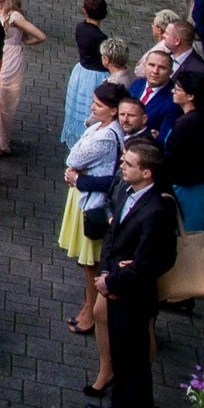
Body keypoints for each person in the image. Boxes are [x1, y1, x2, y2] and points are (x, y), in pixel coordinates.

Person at [87, 142, 180, 408]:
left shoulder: (157, 210)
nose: (122, 167)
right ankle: (119, 405)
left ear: (147, 172)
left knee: (134, 360)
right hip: (114, 283)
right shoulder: (127, 191)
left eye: (128, 164)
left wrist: (113, 280)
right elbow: (113, 237)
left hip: (134, 296)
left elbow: (155, 261)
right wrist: (105, 275)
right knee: (120, 353)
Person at [60, 81, 127, 349]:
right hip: (85, 195)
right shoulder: (103, 127)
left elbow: (73, 157)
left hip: (93, 204)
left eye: (98, 105)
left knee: (91, 264)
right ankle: (88, 306)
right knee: (87, 263)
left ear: (112, 111)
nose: (92, 107)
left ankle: (91, 312)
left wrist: (77, 177)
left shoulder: (104, 136)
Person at [0, 0, 46, 156]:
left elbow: (41, 36)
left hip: (11, 57)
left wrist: (26, 41)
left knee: (4, 99)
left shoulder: (14, 16)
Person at [165, 69, 204, 234]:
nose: (173, 91)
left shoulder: (186, 124)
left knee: (182, 232)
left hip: (184, 187)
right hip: (198, 185)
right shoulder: (200, 119)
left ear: (190, 96)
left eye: (178, 89)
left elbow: (173, 157)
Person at [60, 0, 110, 149]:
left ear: (84, 11)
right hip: (96, 75)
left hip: (81, 71)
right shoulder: (101, 37)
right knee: (90, 107)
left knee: (77, 106)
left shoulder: (80, 27)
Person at [131, 50, 179, 138]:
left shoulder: (174, 100)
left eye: (162, 68)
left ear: (171, 72)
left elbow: (163, 138)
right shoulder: (137, 84)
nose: (155, 71)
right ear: (145, 66)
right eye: (151, 65)